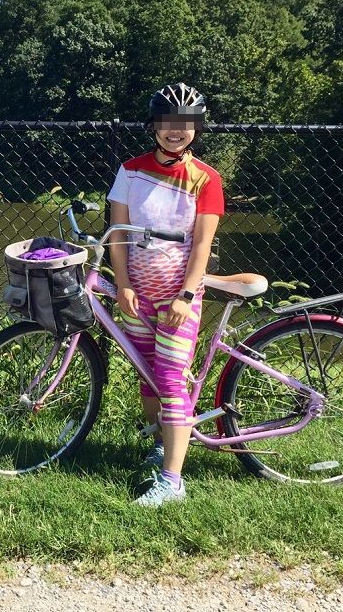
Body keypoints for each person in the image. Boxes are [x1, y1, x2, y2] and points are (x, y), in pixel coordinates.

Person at [106, 83, 225, 506]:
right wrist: (121, 285)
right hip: (136, 295)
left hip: (178, 298)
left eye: (185, 125)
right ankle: (160, 446)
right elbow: (117, 235)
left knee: (172, 383)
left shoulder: (206, 179)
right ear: (154, 125)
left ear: (196, 128)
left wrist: (186, 296)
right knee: (148, 375)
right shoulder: (130, 170)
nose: (176, 131)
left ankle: (172, 482)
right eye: (168, 123)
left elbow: (201, 246)